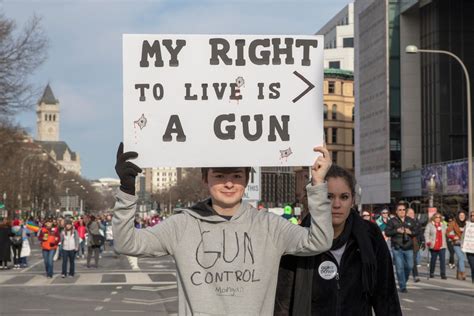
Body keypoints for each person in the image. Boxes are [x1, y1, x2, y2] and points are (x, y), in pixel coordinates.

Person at [113, 143, 333, 315]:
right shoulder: (182, 224)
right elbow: (126, 243)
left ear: (247, 179)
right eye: (219, 176)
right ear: (204, 179)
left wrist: (318, 185)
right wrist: (126, 191)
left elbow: (319, 241)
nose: (229, 183)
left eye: (236, 176)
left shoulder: (269, 225)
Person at [274, 165, 401, 315]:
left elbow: (386, 298)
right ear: (317, 199)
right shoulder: (298, 237)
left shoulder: (370, 236)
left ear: (353, 199)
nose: (336, 205)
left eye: (344, 197)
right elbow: (283, 304)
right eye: (329, 196)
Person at [385, 202, 419, 293]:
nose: (402, 211)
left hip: (408, 247)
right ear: (396, 211)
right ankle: (402, 286)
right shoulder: (392, 221)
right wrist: (396, 230)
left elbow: (417, 231)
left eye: (403, 210)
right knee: (399, 267)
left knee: (410, 266)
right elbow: (387, 232)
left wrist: (410, 232)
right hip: (397, 247)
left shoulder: (410, 220)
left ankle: (403, 280)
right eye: (400, 210)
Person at [424, 212, 447, 279]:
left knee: (442, 260)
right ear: (434, 218)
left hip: (442, 245)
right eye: (436, 217)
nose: (438, 218)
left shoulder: (443, 225)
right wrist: (428, 241)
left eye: (439, 217)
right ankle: (431, 272)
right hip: (433, 245)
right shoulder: (430, 225)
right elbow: (426, 233)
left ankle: (443, 274)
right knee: (433, 260)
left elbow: (448, 231)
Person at [447, 210, 467, 280]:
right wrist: (453, 237)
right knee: (461, 258)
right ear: (458, 216)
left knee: (460, 258)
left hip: (465, 244)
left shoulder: (467, 223)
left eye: (463, 216)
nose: (462, 217)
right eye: (460, 215)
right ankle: (463, 272)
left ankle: (458, 274)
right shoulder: (453, 223)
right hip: (456, 243)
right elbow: (448, 232)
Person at [406, 208, 422, 283]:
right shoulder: (404, 221)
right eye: (410, 213)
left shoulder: (417, 221)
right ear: (406, 214)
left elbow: (420, 232)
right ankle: (406, 274)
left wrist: (423, 241)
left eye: (413, 212)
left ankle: (415, 275)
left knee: (413, 260)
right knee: (409, 261)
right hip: (406, 243)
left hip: (415, 243)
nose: (412, 214)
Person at [464, 212, 474, 283]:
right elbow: (463, 236)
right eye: (471, 215)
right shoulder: (467, 226)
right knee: (472, 266)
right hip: (469, 249)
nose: (473, 217)